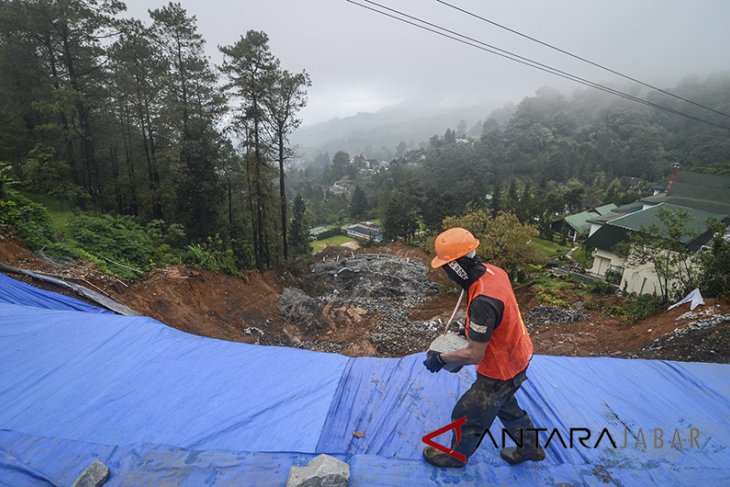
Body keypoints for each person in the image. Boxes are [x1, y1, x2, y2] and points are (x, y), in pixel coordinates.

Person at [422, 227, 546, 468]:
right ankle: (531, 448)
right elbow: (498, 318)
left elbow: (474, 354)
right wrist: (468, 330)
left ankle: (455, 457)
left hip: (500, 369)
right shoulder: (494, 273)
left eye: (446, 268)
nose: (446, 274)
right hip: (519, 355)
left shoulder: (482, 302)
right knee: (507, 406)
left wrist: (441, 359)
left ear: (457, 267)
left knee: (465, 416)